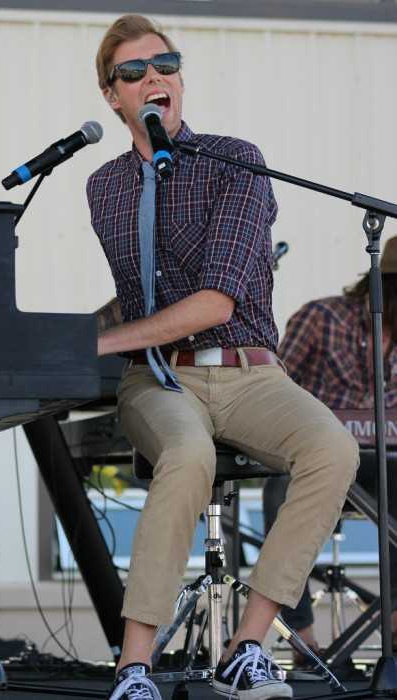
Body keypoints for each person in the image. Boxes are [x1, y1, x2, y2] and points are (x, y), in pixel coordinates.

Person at [88, 14, 358, 700]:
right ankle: (134, 668)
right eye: (133, 71)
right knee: (188, 456)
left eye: (166, 64)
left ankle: (248, 645)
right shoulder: (105, 188)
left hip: (250, 370)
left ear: (179, 79)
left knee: (333, 448)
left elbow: (214, 302)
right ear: (112, 96)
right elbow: (139, 297)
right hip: (160, 376)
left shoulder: (236, 159)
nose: (154, 76)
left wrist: (103, 340)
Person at [263, 236, 397, 663]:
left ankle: (392, 623)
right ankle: (302, 636)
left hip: (386, 460)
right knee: (281, 493)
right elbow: (272, 389)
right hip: (315, 457)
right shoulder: (321, 318)